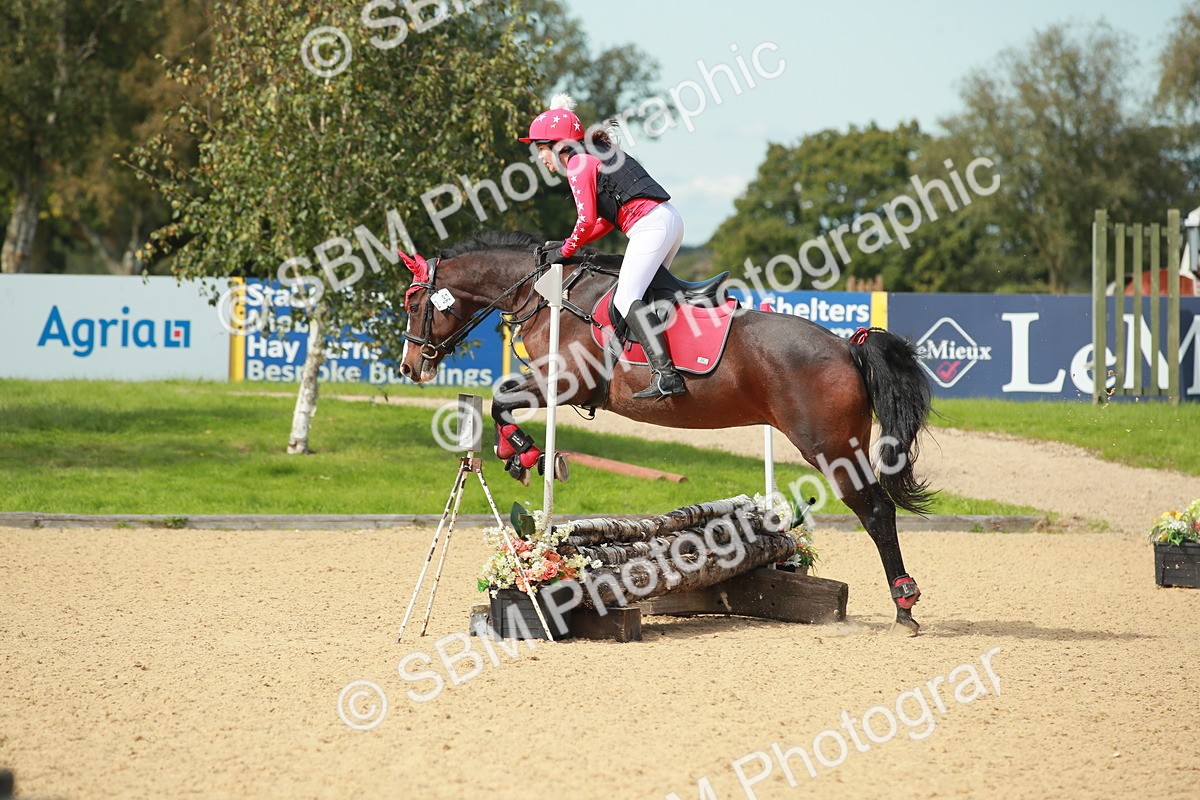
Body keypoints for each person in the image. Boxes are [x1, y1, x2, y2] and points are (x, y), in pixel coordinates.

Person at [519, 94, 686, 400]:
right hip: (667, 221)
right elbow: (604, 223)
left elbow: (585, 221)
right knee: (650, 296)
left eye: (541, 149)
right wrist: (573, 246)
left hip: (650, 226)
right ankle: (664, 362)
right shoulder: (591, 156)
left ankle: (667, 375)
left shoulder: (578, 163)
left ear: (558, 145)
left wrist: (567, 250)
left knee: (626, 298)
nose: (541, 158)